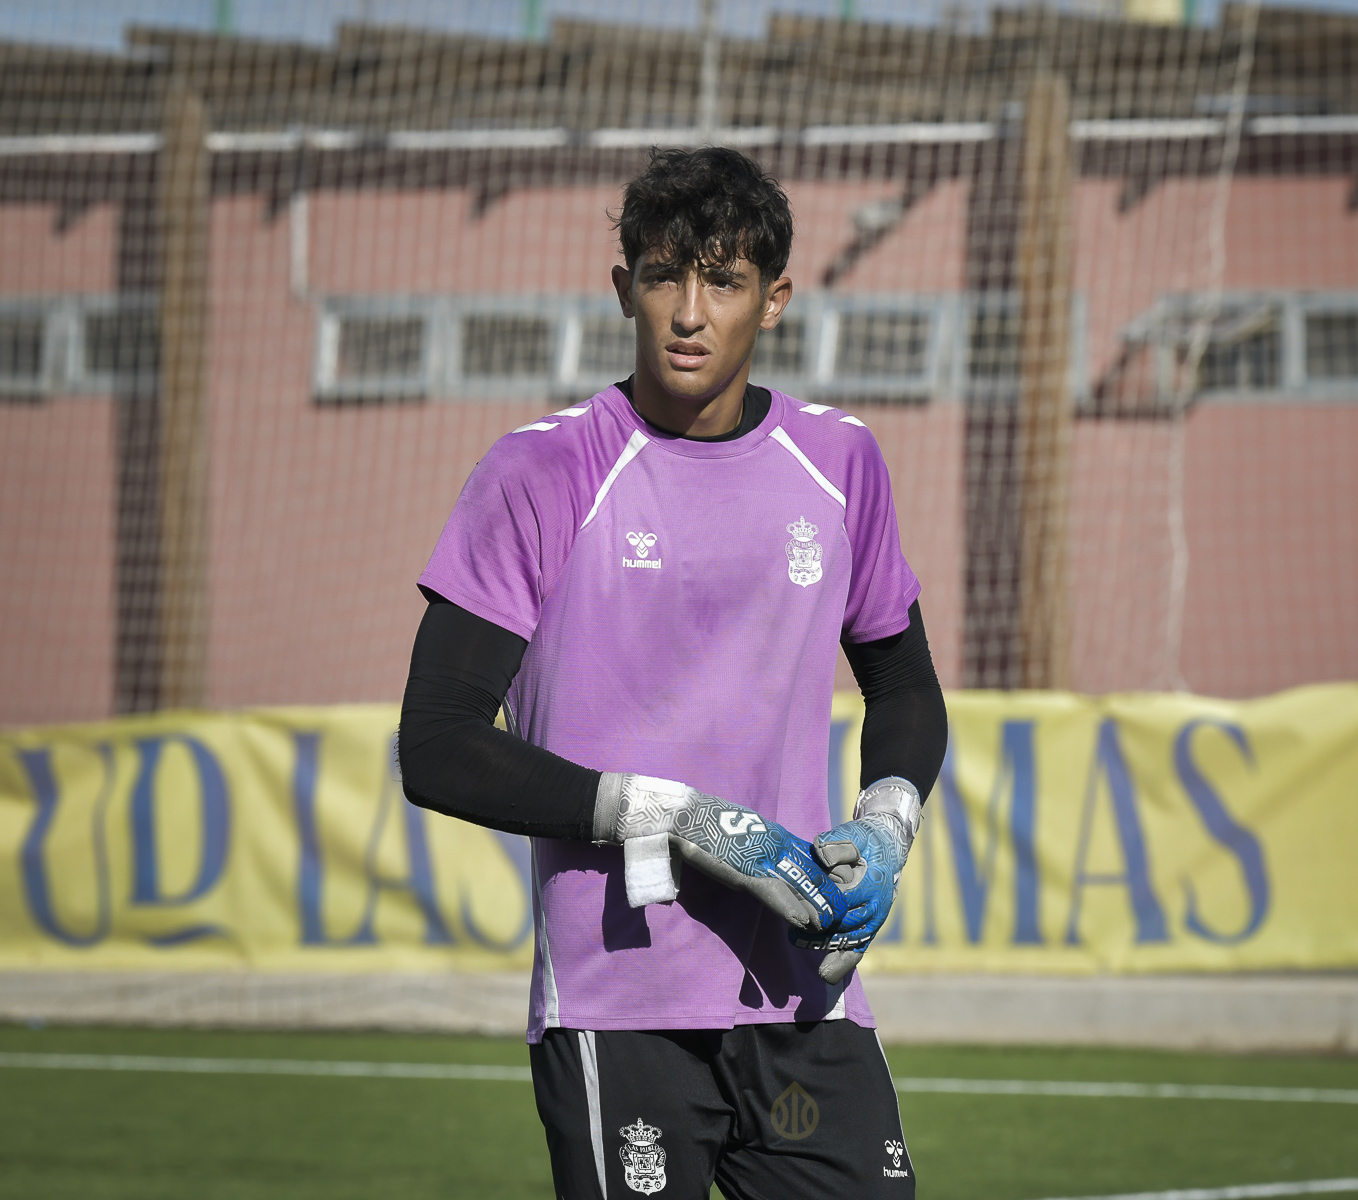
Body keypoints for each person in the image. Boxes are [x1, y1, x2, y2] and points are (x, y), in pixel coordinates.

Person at [398, 145, 948, 1199]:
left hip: (806, 993)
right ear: (625, 289)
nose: (689, 314)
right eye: (663, 278)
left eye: (724, 281)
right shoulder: (541, 471)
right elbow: (436, 745)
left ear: (775, 299)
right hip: (620, 1004)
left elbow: (905, 687)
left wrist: (887, 823)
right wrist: (675, 815)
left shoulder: (840, 462)